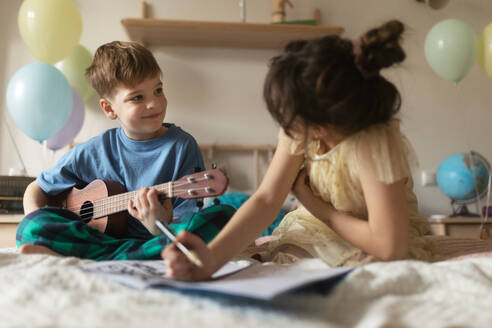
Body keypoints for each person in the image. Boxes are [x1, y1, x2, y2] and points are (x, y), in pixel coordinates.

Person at [161, 20, 438, 280]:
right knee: (285, 263)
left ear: (318, 126)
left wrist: (316, 206)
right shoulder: (302, 129)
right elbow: (266, 200)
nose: (285, 127)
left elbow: (390, 246)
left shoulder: (374, 144)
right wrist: (210, 257)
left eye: (288, 119)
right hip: (316, 227)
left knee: (371, 272)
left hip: (369, 232)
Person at [17, 41, 235, 260]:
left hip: (156, 239)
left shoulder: (181, 146)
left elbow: (187, 219)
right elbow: (35, 189)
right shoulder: (92, 151)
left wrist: (158, 225)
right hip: (100, 239)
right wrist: (37, 219)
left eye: (158, 90)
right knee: (31, 226)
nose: (154, 103)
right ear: (110, 109)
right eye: (138, 97)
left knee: (224, 217)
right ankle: (129, 254)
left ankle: (98, 254)